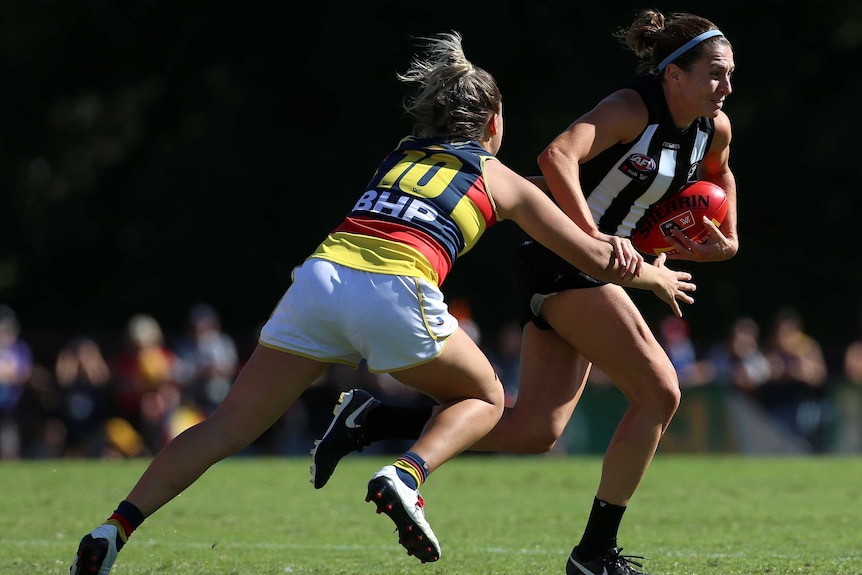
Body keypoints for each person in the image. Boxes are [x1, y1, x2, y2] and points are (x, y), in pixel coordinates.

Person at [70, 31, 695, 575]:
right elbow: (589, 255)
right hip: (396, 288)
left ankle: (115, 527)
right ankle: (408, 474)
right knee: (483, 398)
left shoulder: (400, 151)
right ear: (494, 124)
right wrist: (654, 279)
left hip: (318, 280)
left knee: (224, 428)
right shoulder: (498, 178)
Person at [310, 12, 735, 575]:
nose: (726, 87)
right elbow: (555, 156)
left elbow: (720, 176)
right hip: (568, 259)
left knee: (537, 430)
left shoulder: (714, 126)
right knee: (660, 392)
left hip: (592, 266)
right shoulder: (632, 108)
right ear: (672, 75)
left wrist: (727, 242)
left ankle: (373, 420)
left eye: (729, 75)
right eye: (714, 74)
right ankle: (595, 553)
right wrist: (593, 239)